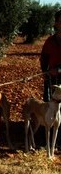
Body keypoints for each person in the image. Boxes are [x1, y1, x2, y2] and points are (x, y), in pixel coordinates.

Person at [40, 9, 61, 149]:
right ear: (56, 23)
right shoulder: (50, 41)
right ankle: (47, 141)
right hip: (51, 81)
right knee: (49, 107)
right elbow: (44, 58)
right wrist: (45, 71)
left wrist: (59, 69)